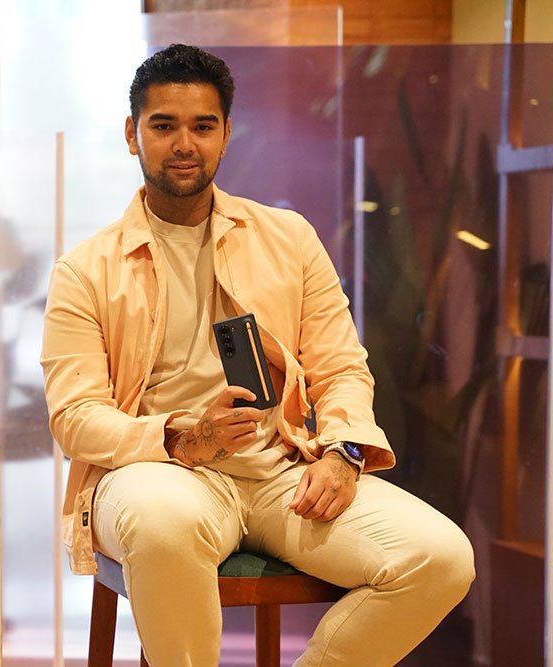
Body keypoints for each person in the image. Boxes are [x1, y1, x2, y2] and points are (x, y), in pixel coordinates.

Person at [40, 43, 475, 666]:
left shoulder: (289, 238)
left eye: (202, 126)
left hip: (281, 472)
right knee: (164, 523)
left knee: (440, 558)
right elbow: (75, 417)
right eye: (163, 126)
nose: (184, 144)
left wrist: (344, 452)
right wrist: (184, 438)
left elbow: (341, 367)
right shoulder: (85, 269)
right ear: (132, 135)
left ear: (225, 135)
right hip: (157, 473)